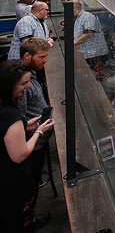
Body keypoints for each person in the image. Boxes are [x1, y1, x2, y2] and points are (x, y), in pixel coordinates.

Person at [0, 60, 55, 231]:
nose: (27, 87)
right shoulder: (11, 115)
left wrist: (24, 125)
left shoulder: (5, 110)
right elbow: (20, 154)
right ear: (9, 85)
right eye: (23, 83)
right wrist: (38, 131)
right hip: (12, 186)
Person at [72, 0, 109, 65]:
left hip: (93, 53)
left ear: (74, 9)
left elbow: (89, 33)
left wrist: (75, 42)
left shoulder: (87, 16)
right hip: (86, 52)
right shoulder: (77, 17)